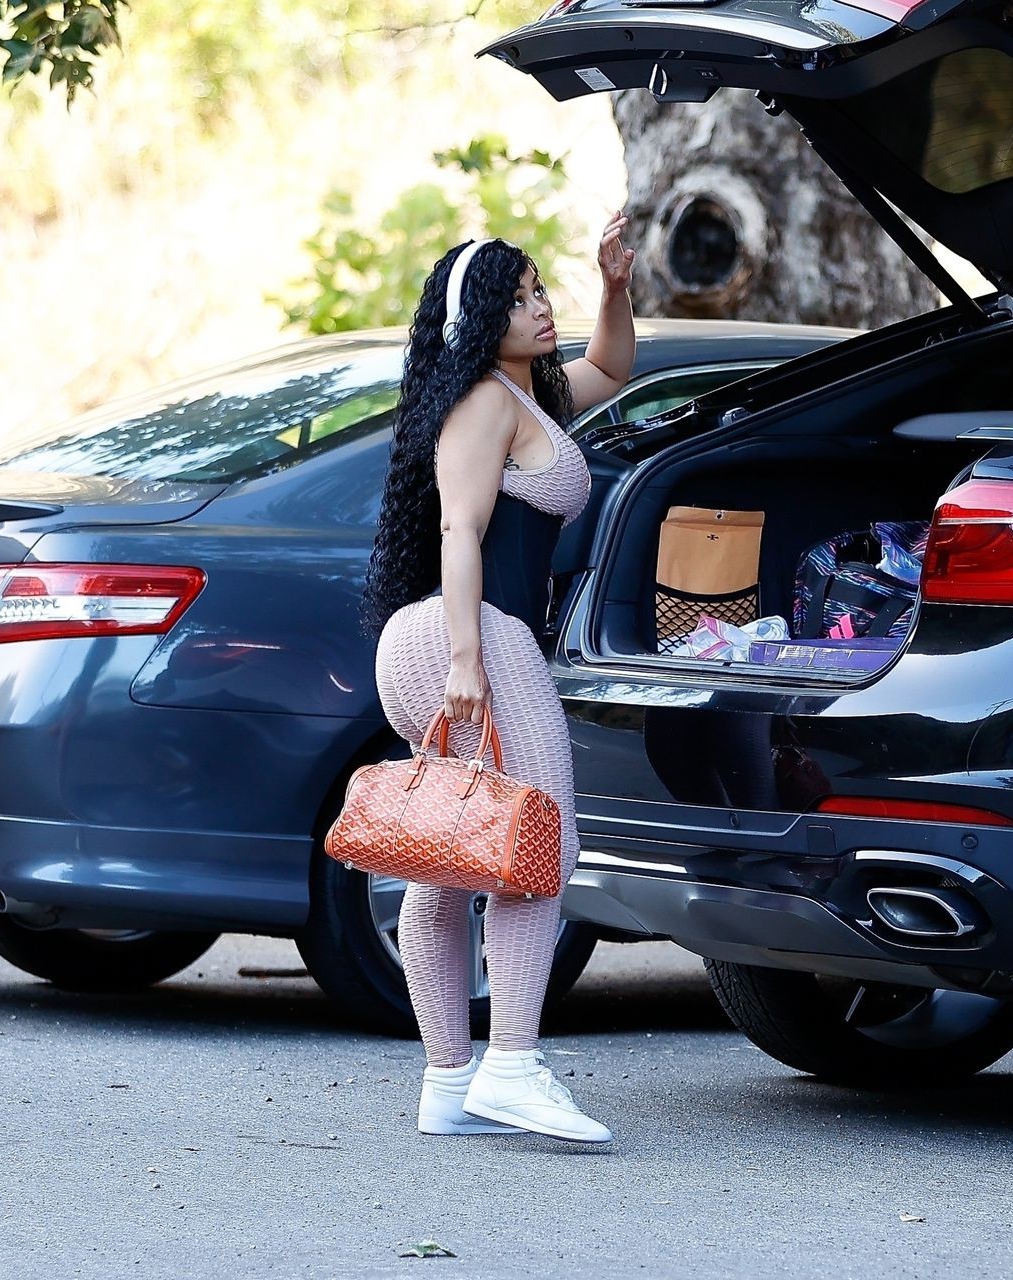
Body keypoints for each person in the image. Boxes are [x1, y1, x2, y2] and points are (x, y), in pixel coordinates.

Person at [358, 215, 635, 1143]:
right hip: (473, 636)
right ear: (478, 319)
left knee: (450, 856)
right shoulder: (485, 401)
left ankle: (449, 1082)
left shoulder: (528, 394)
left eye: (540, 289)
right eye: (516, 300)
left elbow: (612, 370)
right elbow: (460, 529)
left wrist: (614, 288)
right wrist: (469, 662)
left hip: (437, 636)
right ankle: (511, 1066)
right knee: (540, 841)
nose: (539, 308)